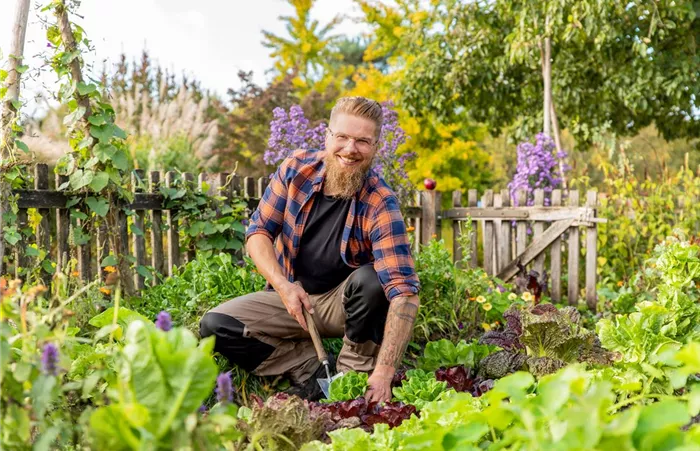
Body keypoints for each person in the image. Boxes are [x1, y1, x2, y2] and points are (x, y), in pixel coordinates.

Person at [199, 96, 420, 402]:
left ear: (376, 146)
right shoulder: (295, 170)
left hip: (342, 306)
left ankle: (351, 375)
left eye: (362, 141)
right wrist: (283, 286)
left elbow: (405, 293)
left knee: (373, 282)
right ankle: (311, 371)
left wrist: (384, 371)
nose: (350, 149)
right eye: (341, 137)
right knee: (217, 325)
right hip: (293, 300)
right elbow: (258, 232)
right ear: (327, 136)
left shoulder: (380, 201)